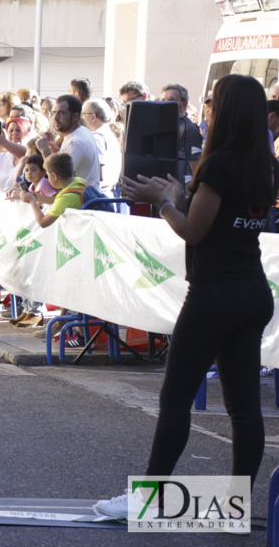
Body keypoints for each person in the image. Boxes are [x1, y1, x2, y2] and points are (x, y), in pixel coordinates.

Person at [96, 74, 279, 524]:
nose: (208, 108)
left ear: (227, 111)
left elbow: (193, 230)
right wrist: (179, 195)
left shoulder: (218, 165)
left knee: (175, 399)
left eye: (215, 102)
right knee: (244, 408)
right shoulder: (265, 164)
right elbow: (217, 217)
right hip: (251, 291)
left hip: (214, 293)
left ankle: (148, 501)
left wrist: (162, 201)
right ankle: (237, 508)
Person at [161, 83, 204, 184]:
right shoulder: (165, 127)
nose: (166, 104)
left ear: (184, 104)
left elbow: (195, 166)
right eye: (163, 100)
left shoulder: (189, 130)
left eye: (171, 100)